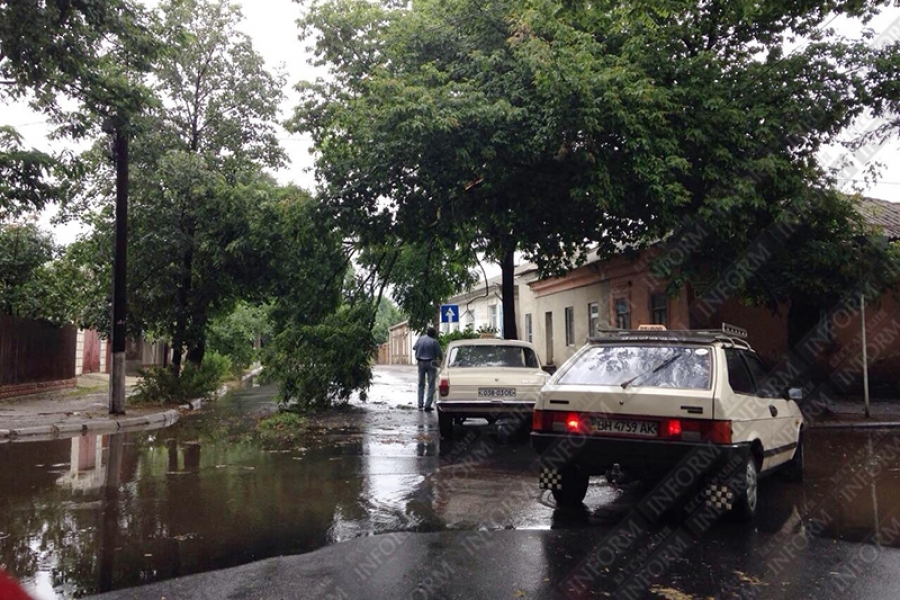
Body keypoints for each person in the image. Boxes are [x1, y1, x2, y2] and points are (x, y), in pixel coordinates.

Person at [413, 326, 443, 412]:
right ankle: (427, 405)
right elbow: (439, 353)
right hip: (431, 363)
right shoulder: (434, 342)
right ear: (434, 334)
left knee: (421, 384)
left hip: (421, 362)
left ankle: (420, 404)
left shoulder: (420, 339)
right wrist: (441, 362)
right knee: (431, 384)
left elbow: (414, 347)